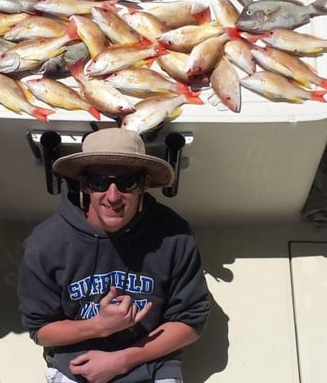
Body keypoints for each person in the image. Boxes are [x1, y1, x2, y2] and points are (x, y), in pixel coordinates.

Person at [18, 127, 210, 383]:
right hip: (77, 368)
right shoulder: (45, 243)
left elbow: (190, 322)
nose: (112, 196)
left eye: (126, 183)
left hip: (152, 365)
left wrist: (123, 360)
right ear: (84, 184)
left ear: (145, 184)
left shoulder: (174, 235)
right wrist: (100, 325)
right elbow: (41, 331)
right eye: (99, 183)